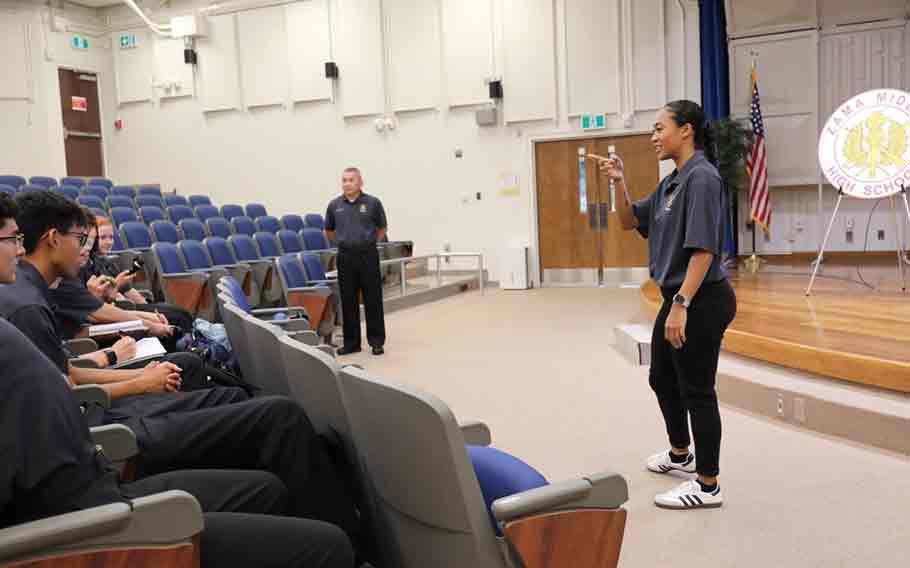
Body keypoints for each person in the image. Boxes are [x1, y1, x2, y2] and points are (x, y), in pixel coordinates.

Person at [0, 191, 364, 546]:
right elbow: (70, 385)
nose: (18, 248)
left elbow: (63, 382)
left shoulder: (25, 298)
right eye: (11, 239)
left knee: (250, 420)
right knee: (277, 420)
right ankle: (343, 527)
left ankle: (318, 476)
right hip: (110, 443)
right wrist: (136, 378)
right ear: (52, 238)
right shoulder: (24, 305)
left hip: (98, 452)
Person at [599, 100, 737, 510]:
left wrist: (681, 305)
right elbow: (627, 220)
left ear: (687, 130)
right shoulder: (672, 183)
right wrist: (617, 182)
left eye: (660, 128)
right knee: (661, 377)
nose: (654, 137)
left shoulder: (703, 179)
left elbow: (704, 250)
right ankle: (681, 453)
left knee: (697, 390)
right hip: (678, 298)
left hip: (700, 299)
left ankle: (708, 484)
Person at [324, 167, 387, 356]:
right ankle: (352, 343)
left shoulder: (373, 203)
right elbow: (329, 231)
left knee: (372, 299)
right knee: (348, 300)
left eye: (351, 180)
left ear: (360, 182)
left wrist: (367, 242)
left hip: (368, 255)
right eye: (344, 180)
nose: (347, 183)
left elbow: (382, 228)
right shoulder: (334, 205)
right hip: (345, 257)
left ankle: (376, 341)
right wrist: (345, 242)